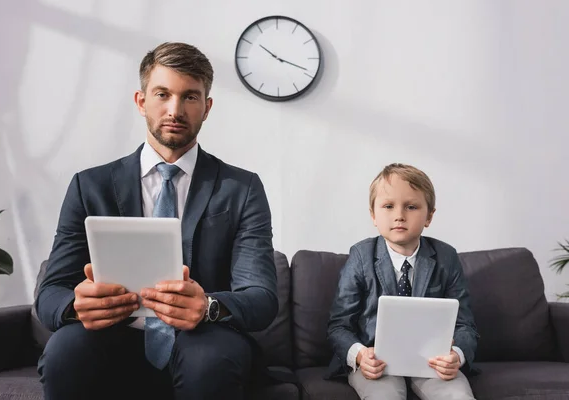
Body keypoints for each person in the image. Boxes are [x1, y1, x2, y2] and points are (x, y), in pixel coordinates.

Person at [35, 42, 278, 400]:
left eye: (190, 97)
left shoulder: (242, 188)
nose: (174, 110)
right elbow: (50, 291)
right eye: (162, 94)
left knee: (211, 361)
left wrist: (208, 306)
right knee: (64, 351)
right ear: (141, 100)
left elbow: (261, 297)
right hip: (110, 332)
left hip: (204, 337)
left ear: (207, 108)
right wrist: (75, 305)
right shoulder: (90, 186)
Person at [326, 163, 479, 400]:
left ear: (429, 216)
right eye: (388, 206)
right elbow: (339, 326)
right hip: (377, 363)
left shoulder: (446, 257)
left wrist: (456, 355)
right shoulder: (360, 256)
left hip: (432, 363)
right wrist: (360, 355)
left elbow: (465, 325)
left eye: (411, 206)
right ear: (373, 215)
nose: (399, 215)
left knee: (458, 397)